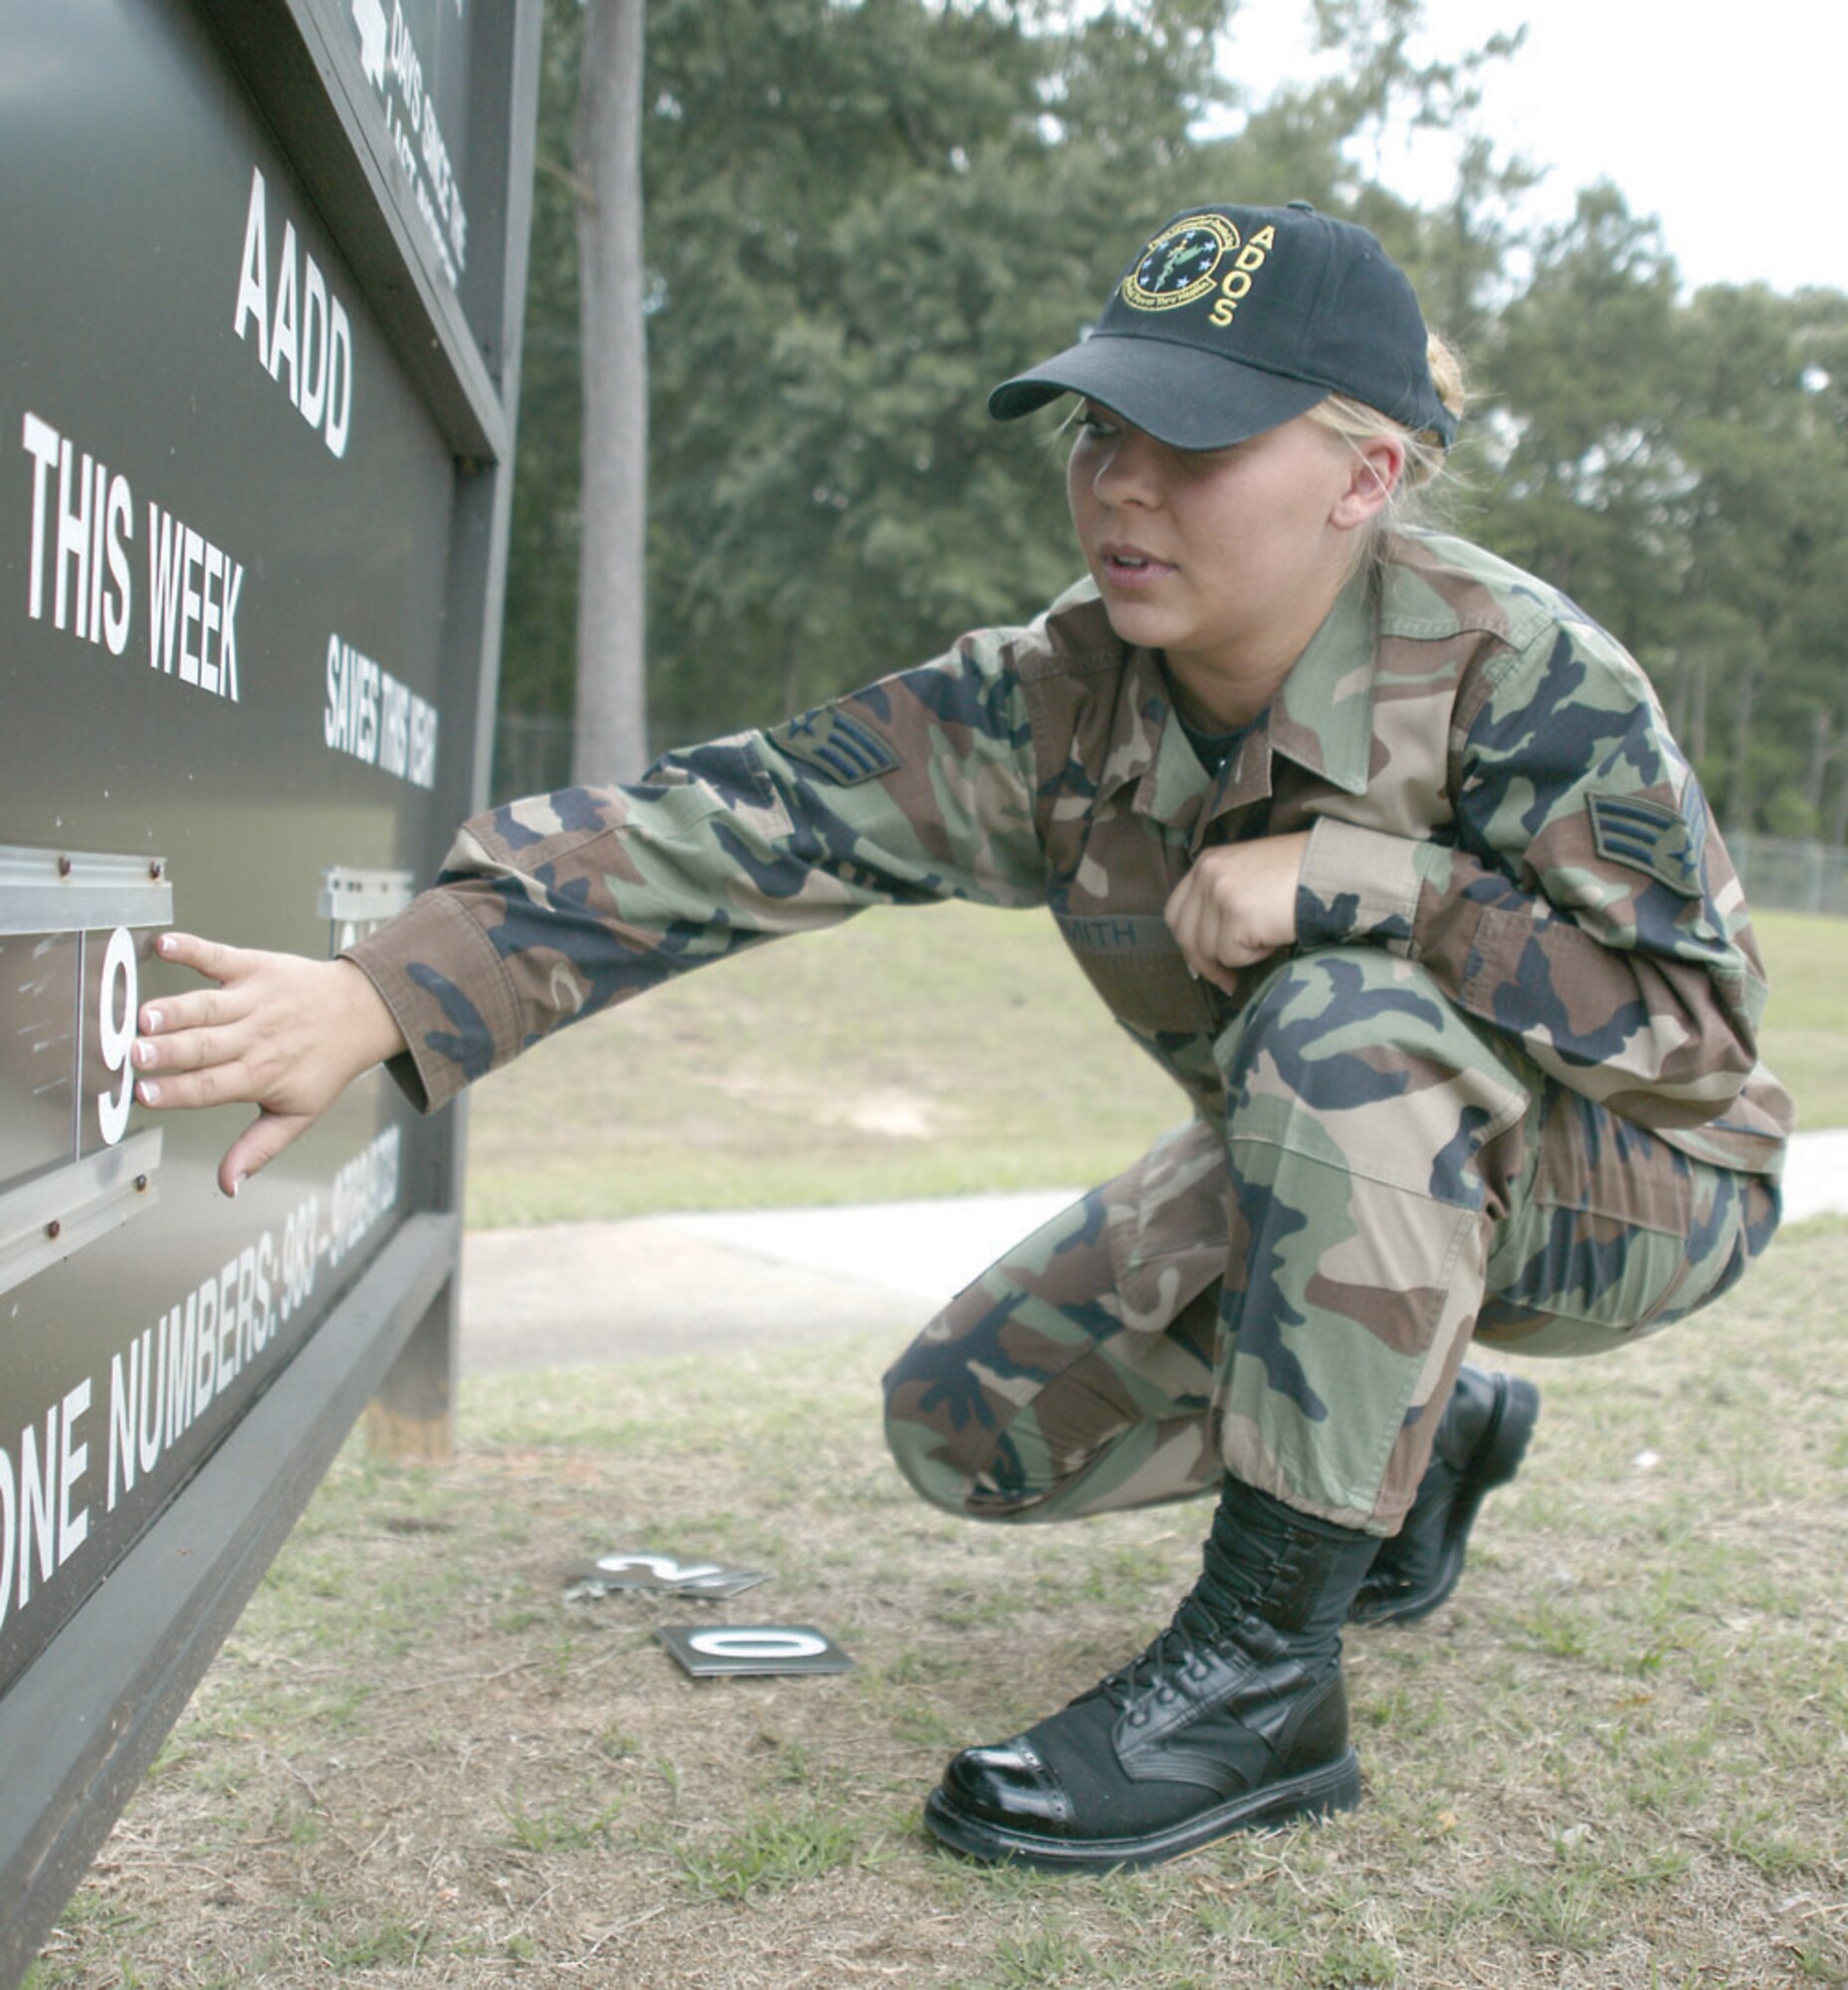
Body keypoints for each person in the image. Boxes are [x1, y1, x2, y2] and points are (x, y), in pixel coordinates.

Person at [131, 201, 1791, 1874]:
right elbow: (737, 824)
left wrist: (1372, 886)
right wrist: (379, 993)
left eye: (1193, 440)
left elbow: (1696, 1046)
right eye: (1098, 428)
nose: (1122, 485)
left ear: (1362, 478)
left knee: (1340, 1017)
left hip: (1634, 1189)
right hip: (1346, 1179)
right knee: (972, 1423)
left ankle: (1256, 1680)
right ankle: (1430, 1439)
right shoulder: (1053, 701)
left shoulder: (1524, 681)